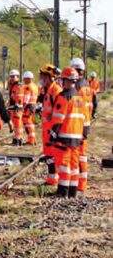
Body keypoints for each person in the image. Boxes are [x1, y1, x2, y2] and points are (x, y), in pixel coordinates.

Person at [49, 67, 86, 198]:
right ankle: (72, 192)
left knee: (63, 165)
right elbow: (84, 120)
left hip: (64, 137)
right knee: (74, 166)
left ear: (65, 80)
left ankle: (62, 191)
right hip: (77, 138)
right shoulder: (80, 98)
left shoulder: (63, 97)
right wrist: (83, 135)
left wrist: (53, 135)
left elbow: (58, 119)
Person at [70, 58, 94, 193]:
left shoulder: (77, 86)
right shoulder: (88, 85)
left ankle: (77, 182)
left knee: (76, 154)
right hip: (86, 122)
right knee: (82, 155)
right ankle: (82, 183)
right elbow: (93, 104)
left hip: (78, 123)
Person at [39, 64, 63, 186]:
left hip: (52, 128)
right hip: (47, 128)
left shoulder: (56, 91)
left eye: (42, 76)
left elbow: (60, 110)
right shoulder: (48, 91)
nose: (40, 78)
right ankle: (52, 178)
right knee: (48, 154)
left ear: (48, 77)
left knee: (53, 154)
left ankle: (54, 179)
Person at [7, 70, 24, 146]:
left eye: (14, 76)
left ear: (18, 76)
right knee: (15, 124)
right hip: (13, 107)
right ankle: (17, 138)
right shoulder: (12, 85)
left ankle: (18, 139)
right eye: (11, 76)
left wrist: (17, 105)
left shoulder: (18, 86)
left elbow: (19, 97)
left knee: (17, 124)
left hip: (17, 108)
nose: (12, 78)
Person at [22, 71, 39, 145]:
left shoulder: (27, 87)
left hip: (28, 106)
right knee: (31, 122)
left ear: (28, 79)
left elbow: (26, 98)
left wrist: (23, 107)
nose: (24, 80)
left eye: (25, 79)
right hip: (33, 105)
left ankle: (31, 140)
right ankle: (33, 139)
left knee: (28, 123)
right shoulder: (35, 86)